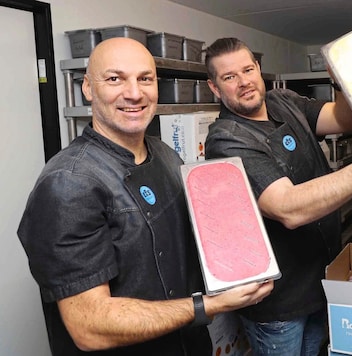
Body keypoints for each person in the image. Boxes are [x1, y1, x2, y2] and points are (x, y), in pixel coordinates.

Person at [17, 37, 273, 356]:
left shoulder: (165, 154)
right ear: (87, 88)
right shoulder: (69, 184)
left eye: (145, 79)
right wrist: (208, 305)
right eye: (115, 79)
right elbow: (89, 326)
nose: (134, 93)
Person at [203, 37, 352, 355]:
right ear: (215, 88)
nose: (244, 82)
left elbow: (343, 116)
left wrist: (342, 78)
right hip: (278, 303)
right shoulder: (226, 141)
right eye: (229, 77)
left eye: (248, 69)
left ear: (258, 68)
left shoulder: (282, 100)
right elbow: (287, 208)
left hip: (318, 279)